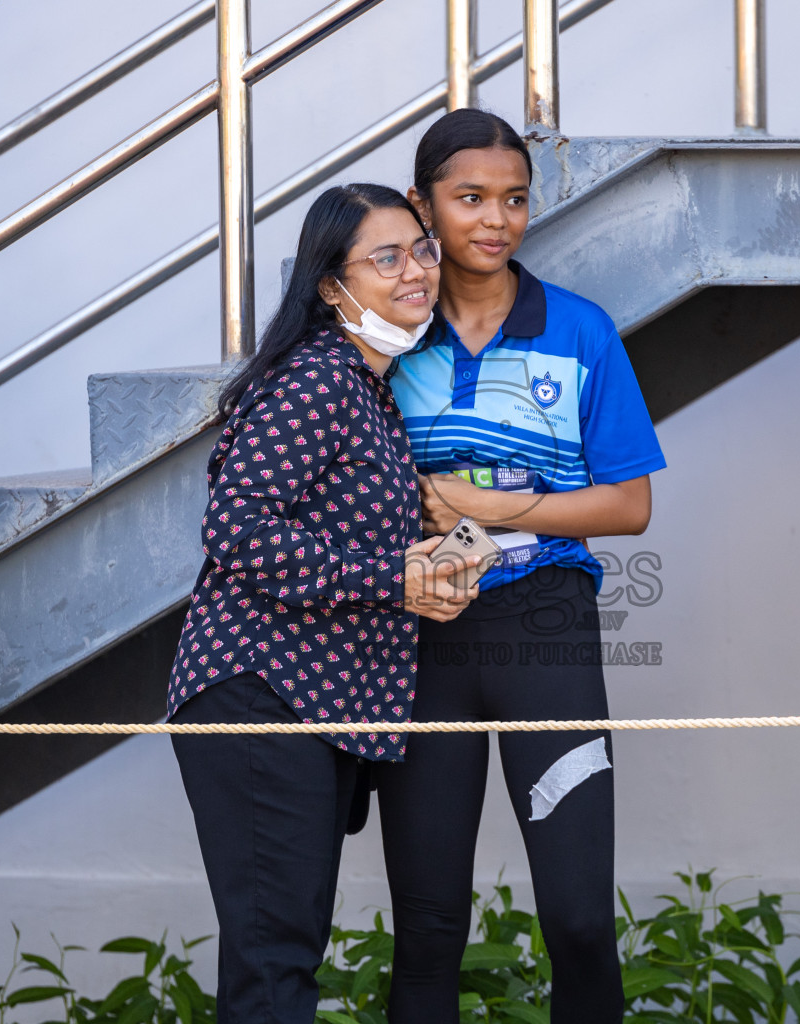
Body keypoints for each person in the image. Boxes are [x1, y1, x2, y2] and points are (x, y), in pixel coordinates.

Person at [376, 109, 667, 1023]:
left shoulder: (579, 332)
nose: (495, 219)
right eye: (469, 199)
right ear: (422, 207)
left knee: (579, 920)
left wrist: (501, 508)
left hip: (548, 626)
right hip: (421, 637)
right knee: (427, 929)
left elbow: (629, 505)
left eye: (513, 199)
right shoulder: (385, 342)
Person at [168, 182, 479, 1023]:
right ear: (331, 285)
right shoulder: (319, 379)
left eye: (421, 249)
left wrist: (419, 570)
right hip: (263, 693)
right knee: (275, 964)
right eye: (386, 257)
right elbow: (236, 527)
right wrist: (392, 578)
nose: (415, 270)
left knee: (281, 954)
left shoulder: (366, 387)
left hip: (306, 702)